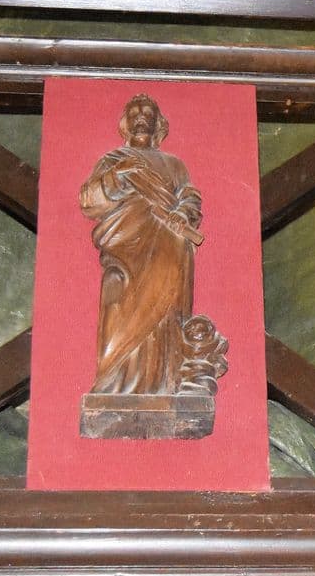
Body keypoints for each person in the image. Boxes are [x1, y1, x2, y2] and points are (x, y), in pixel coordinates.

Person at [80, 94, 214, 397]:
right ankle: (112, 381)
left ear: (157, 123)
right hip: (123, 246)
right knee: (116, 297)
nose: (141, 117)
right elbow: (89, 201)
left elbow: (189, 196)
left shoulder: (174, 165)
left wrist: (182, 213)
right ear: (126, 123)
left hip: (168, 247)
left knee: (164, 312)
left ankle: (163, 383)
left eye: (148, 112)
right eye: (135, 113)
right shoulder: (114, 160)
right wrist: (119, 176)